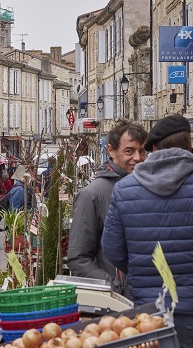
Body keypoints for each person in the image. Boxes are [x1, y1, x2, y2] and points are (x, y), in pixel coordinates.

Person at [101, 115, 193, 348]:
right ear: (190, 146)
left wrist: (144, 265)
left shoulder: (124, 189)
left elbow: (112, 250)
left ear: (155, 148)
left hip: (150, 310)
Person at [65, 120, 147, 296]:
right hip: (118, 303)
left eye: (142, 151)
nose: (138, 158)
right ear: (111, 150)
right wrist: (115, 286)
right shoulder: (92, 194)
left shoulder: (150, 186)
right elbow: (78, 258)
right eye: (129, 151)